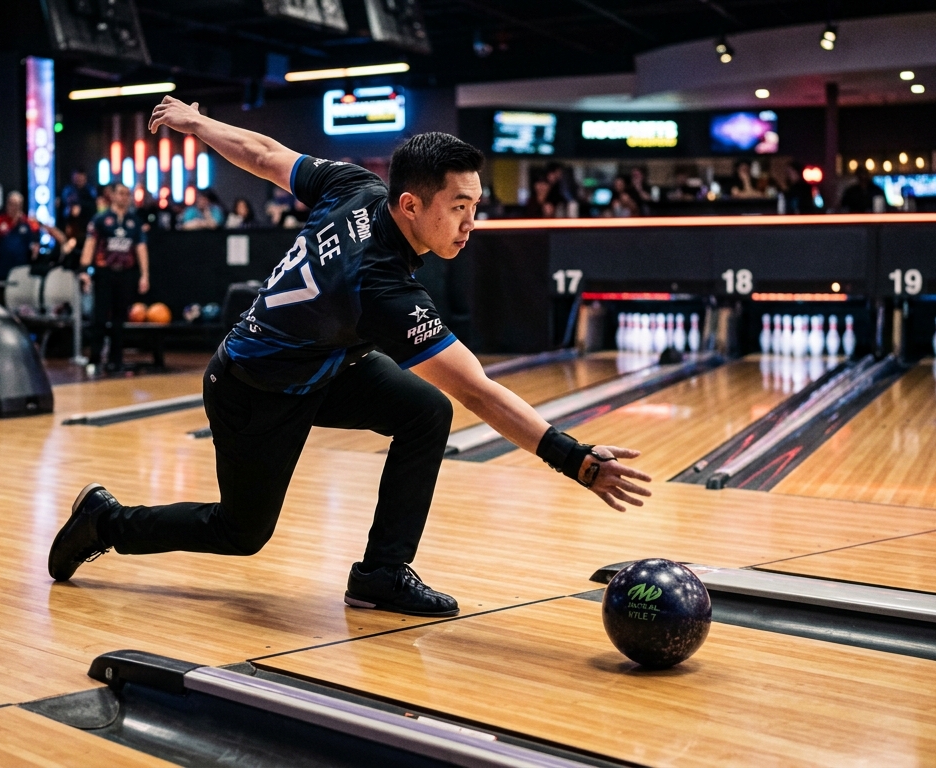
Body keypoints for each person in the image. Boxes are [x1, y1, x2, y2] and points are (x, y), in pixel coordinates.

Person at [47, 97, 652, 617]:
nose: (471, 223)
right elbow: (478, 390)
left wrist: (195, 124)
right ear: (412, 205)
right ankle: (107, 520)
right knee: (241, 532)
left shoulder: (357, 187)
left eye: (475, 205)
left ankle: (381, 574)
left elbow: (262, 155)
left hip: (325, 362)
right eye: (459, 207)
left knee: (423, 412)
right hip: (255, 390)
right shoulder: (382, 287)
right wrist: (575, 460)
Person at [80, 182, 149, 372]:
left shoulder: (134, 221)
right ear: (112, 195)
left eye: (127, 194)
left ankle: (116, 360)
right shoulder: (101, 219)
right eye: (121, 193)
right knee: (99, 317)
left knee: (120, 318)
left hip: (125, 273)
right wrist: (84, 270)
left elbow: (141, 248)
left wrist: (144, 275)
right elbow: (90, 244)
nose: (124, 197)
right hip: (104, 273)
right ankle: (95, 358)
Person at [0, 191, 64, 281]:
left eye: (17, 204)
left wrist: (40, 223)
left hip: (22, 269)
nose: (13, 207)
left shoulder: (28, 222)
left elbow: (61, 238)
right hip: (1, 266)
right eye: (11, 204)